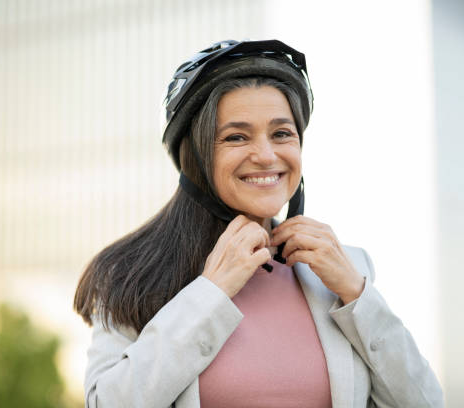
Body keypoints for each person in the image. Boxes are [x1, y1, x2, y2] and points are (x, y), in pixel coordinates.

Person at [74, 39, 443, 407]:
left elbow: (425, 402)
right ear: (197, 156)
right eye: (236, 137)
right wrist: (210, 293)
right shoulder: (128, 271)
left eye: (282, 133)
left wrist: (357, 295)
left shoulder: (347, 269)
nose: (266, 156)